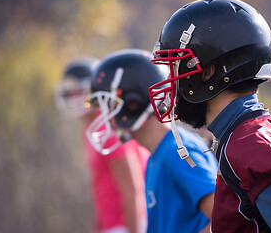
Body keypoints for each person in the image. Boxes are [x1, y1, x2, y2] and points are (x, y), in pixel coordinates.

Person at [148, 0, 271, 233]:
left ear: (207, 72)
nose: (171, 83)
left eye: (175, 68)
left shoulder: (250, 143)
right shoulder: (237, 136)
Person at [85, 49, 218, 233]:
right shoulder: (157, 156)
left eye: (109, 106)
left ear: (132, 103)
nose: (105, 117)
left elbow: (223, 218)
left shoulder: (177, 152)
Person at [55, 57, 148, 233]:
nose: (72, 98)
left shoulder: (109, 130)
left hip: (126, 225)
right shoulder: (90, 129)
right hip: (112, 225)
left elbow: (133, 191)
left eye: (78, 91)